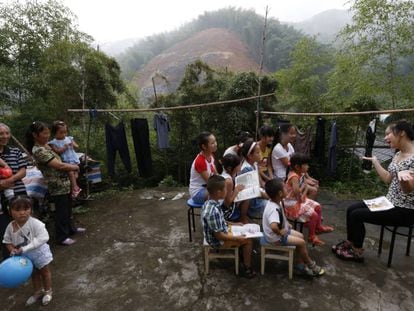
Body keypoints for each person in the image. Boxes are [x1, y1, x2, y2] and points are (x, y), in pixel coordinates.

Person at [334, 120, 414, 262]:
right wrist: (375, 162)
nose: (385, 138)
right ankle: (351, 243)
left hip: (404, 210)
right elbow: (388, 179)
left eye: (388, 133)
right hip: (389, 202)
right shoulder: (398, 154)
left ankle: (357, 251)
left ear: (402, 133)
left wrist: (404, 179)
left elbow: (408, 190)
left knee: (357, 215)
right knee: (351, 209)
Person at [26, 121, 84, 246]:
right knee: (61, 211)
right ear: (35, 135)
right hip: (56, 184)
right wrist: (74, 167)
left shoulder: (46, 146)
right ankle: (62, 237)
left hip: (64, 182)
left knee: (68, 208)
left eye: (48, 133)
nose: (47, 135)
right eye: (44, 133)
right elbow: (59, 165)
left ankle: (71, 229)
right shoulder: (38, 150)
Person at [262, 179, 325, 277]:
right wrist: (280, 232)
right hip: (275, 238)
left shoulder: (276, 201)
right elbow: (274, 226)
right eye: (285, 188)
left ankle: (299, 264)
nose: (287, 189)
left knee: (300, 236)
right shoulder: (273, 208)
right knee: (302, 242)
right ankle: (311, 265)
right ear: (280, 193)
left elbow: (280, 218)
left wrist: (286, 225)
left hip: (280, 232)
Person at [201, 175, 256, 278]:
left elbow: (221, 220)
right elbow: (220, 236)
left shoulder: (211, 203)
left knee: (242, 229)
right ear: (219, 192)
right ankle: (246, 268)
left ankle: (242, 255)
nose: (227, 191)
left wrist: (235, 224)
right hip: (216, 241)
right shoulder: (213, 211)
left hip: (220, 232)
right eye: (225, 189)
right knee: (248, 240)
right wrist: (236, 238)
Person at [3, 196, 53, 306]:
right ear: (10, 211)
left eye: (26, 209)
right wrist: (12, 251)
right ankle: (38, 292)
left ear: (31, 209)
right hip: (25, 256)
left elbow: (44, 237)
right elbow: (7, 241)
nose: (22, 213)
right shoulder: (10, 227)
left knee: (44, 272)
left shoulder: (35, 223)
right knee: (33, 274)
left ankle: (48, 291)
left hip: (39, 254)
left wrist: (24, 248)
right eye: (18, 210)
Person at [285, 153, 333, 246]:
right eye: (306, 164)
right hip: (291, 203)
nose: (308, 166)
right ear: (297, 167)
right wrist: (302, 194)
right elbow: (296, 191)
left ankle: (318, 227)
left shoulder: (301, 174)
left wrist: (303, 193)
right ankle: (311, 236)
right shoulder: (294, 176)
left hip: (299, 199)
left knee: (318, 207)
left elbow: (305, 186)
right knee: (313, 215)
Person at [0, 123, 27, 260]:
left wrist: (10, 180)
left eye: (7, 133)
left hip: (18, 194)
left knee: (23, 227)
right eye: (1, 134)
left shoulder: (15, 151)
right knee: (5, 230)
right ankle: (9, 262)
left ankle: (25, 257)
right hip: (2, 200)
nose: (4, 136)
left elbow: (23, 171)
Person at [49, 121, 81, 198]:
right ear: (55, 132)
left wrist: (73, 145)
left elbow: (77, 145)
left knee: (74, 175)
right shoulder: (53, 142)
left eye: (65, 132)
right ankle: (75, 188)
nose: (64, 134)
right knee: (70, 173)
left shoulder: (69, 138)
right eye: (61, 132)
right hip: (65, 160)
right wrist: (64, 147)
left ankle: (75, 188)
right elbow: (57, 151)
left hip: (73, 158)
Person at [239, 139, 269, 223]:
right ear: (250, 156)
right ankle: (243, 217)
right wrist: (269, 196)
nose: (260, 155)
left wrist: (270, 190)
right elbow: (253, 191)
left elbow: (261, 183)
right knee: (274, 205)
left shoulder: (254, 164)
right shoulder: (246, 169)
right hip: (251, 202)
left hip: (257, 195)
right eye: (258, 152)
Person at [189, 132, 217, 205]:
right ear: (204, 146)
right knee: (221, 194)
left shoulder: (211, 155)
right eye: (212, 143)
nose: (215, 144)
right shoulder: (200, 161)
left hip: (207, 188)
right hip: (198, 192)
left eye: (215, 141)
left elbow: (215, 173)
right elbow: (210, 182)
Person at [220, 153, 245, 221]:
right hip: (222, 211)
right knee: (246, 198)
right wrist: (236, 190)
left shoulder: (226, 173)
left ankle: (243, 217)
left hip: (221, 206)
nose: (240, 167)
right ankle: (243, 218)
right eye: (239, 165)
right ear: (230, 168)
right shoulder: (228, 181)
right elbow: (227, 203)